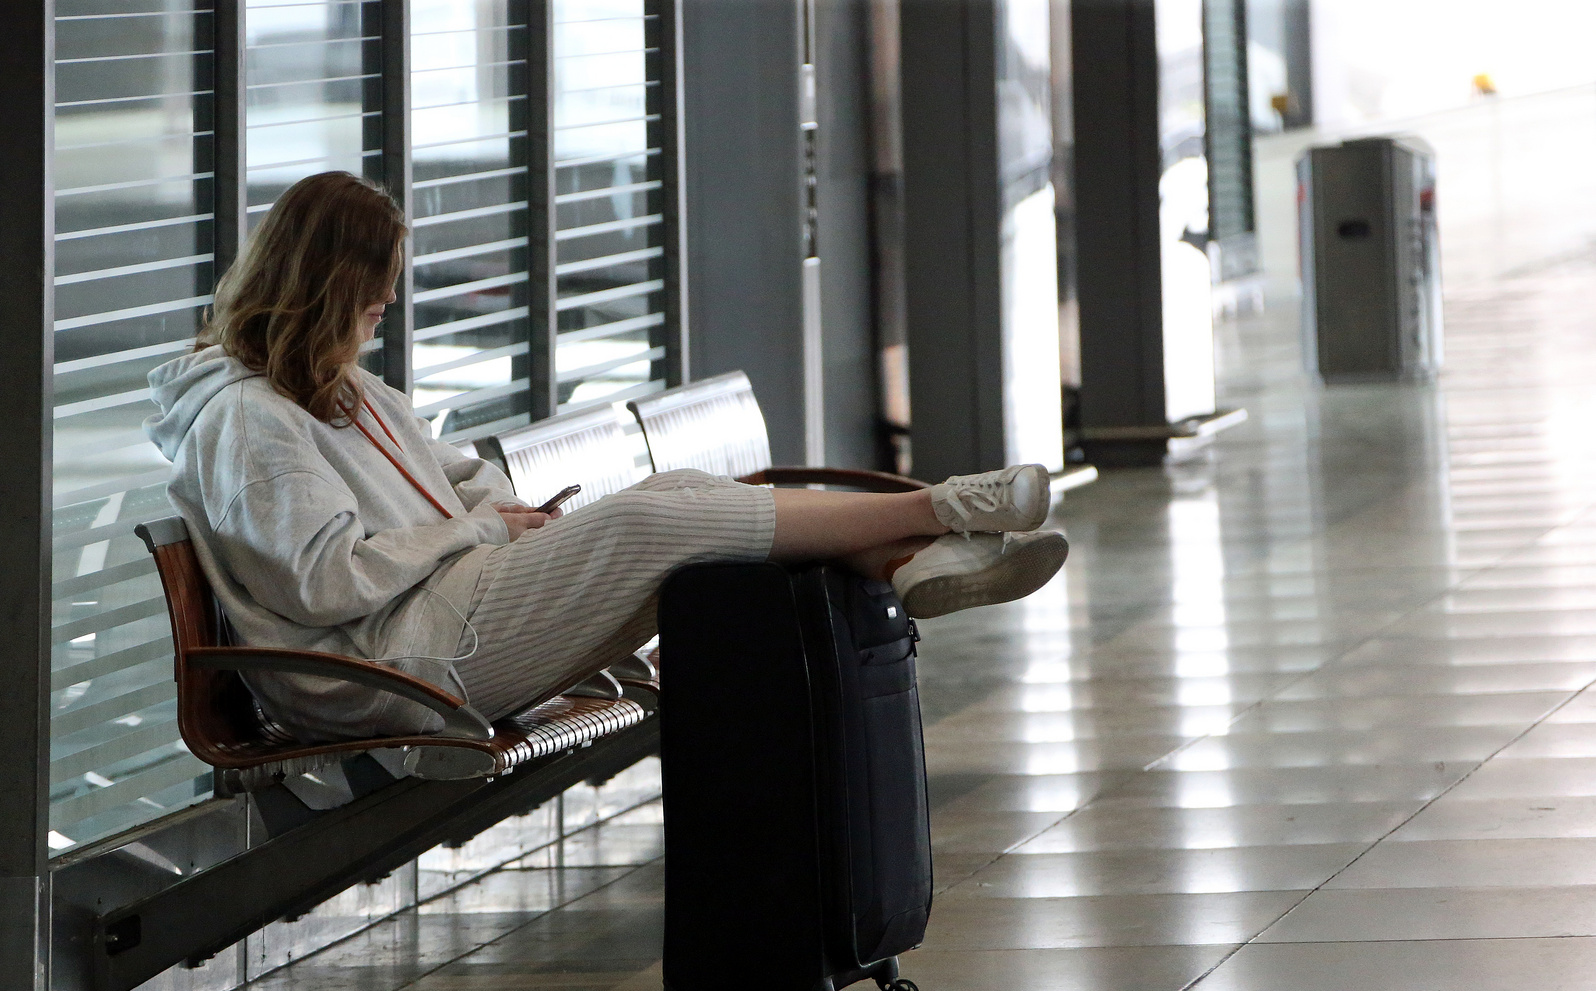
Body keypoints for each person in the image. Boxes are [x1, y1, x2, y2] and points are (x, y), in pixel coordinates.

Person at [145, 172, 1068, 744]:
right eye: (377, 294)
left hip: (441, 614)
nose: (389, 307)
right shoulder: (247, 422)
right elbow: (323, 585)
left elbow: (460, 474)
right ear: (328, 287)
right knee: (652, 517)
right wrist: (473, 529)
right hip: (389, 668)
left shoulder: (345, 388)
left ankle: (906, 560)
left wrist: (501, 517)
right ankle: (940, 510)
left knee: (673, 496)